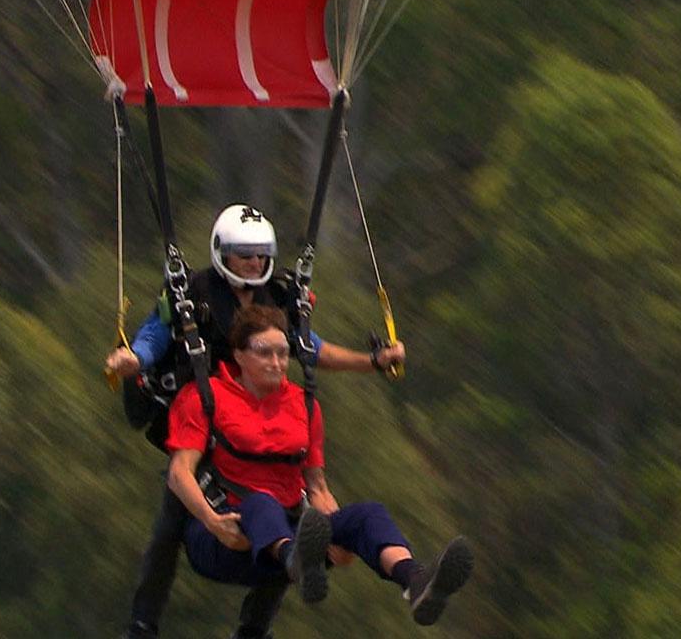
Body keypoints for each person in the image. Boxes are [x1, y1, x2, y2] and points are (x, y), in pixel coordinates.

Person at [107, 204, 405, 639]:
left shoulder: (277, 299)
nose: (254, 262)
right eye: (244, 254)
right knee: (171, 523)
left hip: (259, 427)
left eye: (261, 254)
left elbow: (309, 347)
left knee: (283, 524)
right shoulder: (193, 292)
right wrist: (135, 359)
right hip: (206, 424)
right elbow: (154, 335)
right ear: (222, 253)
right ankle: (142, 624)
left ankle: (254, 629)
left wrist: (372, 362)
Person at [165, 304, 472, 628]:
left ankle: (415, 580)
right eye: (264, 352)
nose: (276, 362)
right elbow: (178, 472)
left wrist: (333, 536)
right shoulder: (206, 397)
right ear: (239, 355)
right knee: (262, 503)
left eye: (283, 353)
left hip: (290, 535)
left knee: (368, 515)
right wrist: (213, 521)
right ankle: (295, 558)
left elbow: (316, 486)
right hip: (223, 536)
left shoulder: (303, 405)